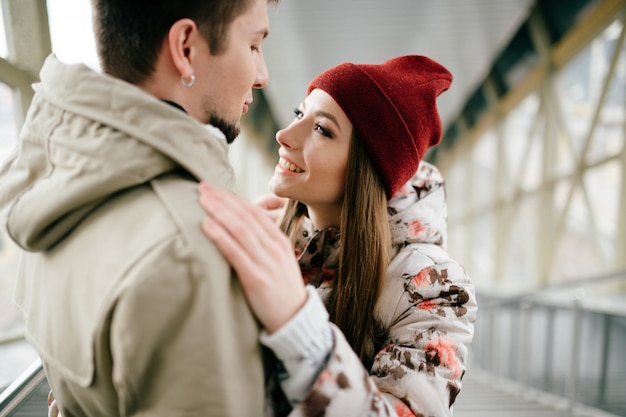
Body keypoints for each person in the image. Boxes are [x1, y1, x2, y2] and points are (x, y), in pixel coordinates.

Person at [0, 0, 279, 415]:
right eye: (254, 46)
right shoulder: (189, 252)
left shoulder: (48, 181)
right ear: (185, 48)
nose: (262, 76)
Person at [198, 55, 478, 416]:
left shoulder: (434, 287)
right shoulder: (268, 234)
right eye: (300, 115)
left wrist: (299, 327)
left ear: (366, 167)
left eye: (322, 129)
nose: (284, 135)